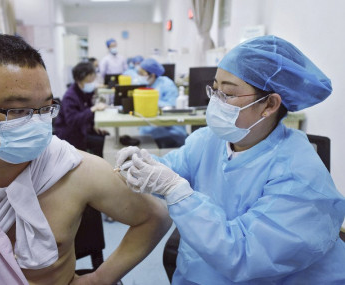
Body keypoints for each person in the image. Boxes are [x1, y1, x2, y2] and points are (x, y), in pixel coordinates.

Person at [0, 33, 172, 285]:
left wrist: (99, 279)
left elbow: (155, 216)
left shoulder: (71, 168)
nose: (37, 124)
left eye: (46, 108)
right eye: (16, 111)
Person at [116, 35, 345, 284]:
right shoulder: (209, 140)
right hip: (203, 271)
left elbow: (245, 255)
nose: (215, 101)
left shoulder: (299, 175)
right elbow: (173, 169)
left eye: (228, 94)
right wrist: (143, 165)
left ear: (269, 104)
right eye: (214, 89)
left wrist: (177, 192)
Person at [54, 61, 109, 157]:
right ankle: (98, 167)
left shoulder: (83, 92)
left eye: (93, 80)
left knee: (106, 137)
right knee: (103, 143)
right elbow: (72, 121)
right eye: (89, 82)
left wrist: (93, 128)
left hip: (81, 130)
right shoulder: (70, 97)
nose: (92, 84)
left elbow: (85, 113)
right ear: (79, 81)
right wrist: (93, 109)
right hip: (70, 136)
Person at [137, 58, 187, 148]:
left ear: (152, 74)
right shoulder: (147, 85)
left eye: (143, 73)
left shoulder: (166, 84)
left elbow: (172, 106)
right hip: (150, 129)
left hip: (170, 131)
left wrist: (150, 102)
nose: (140, 76)